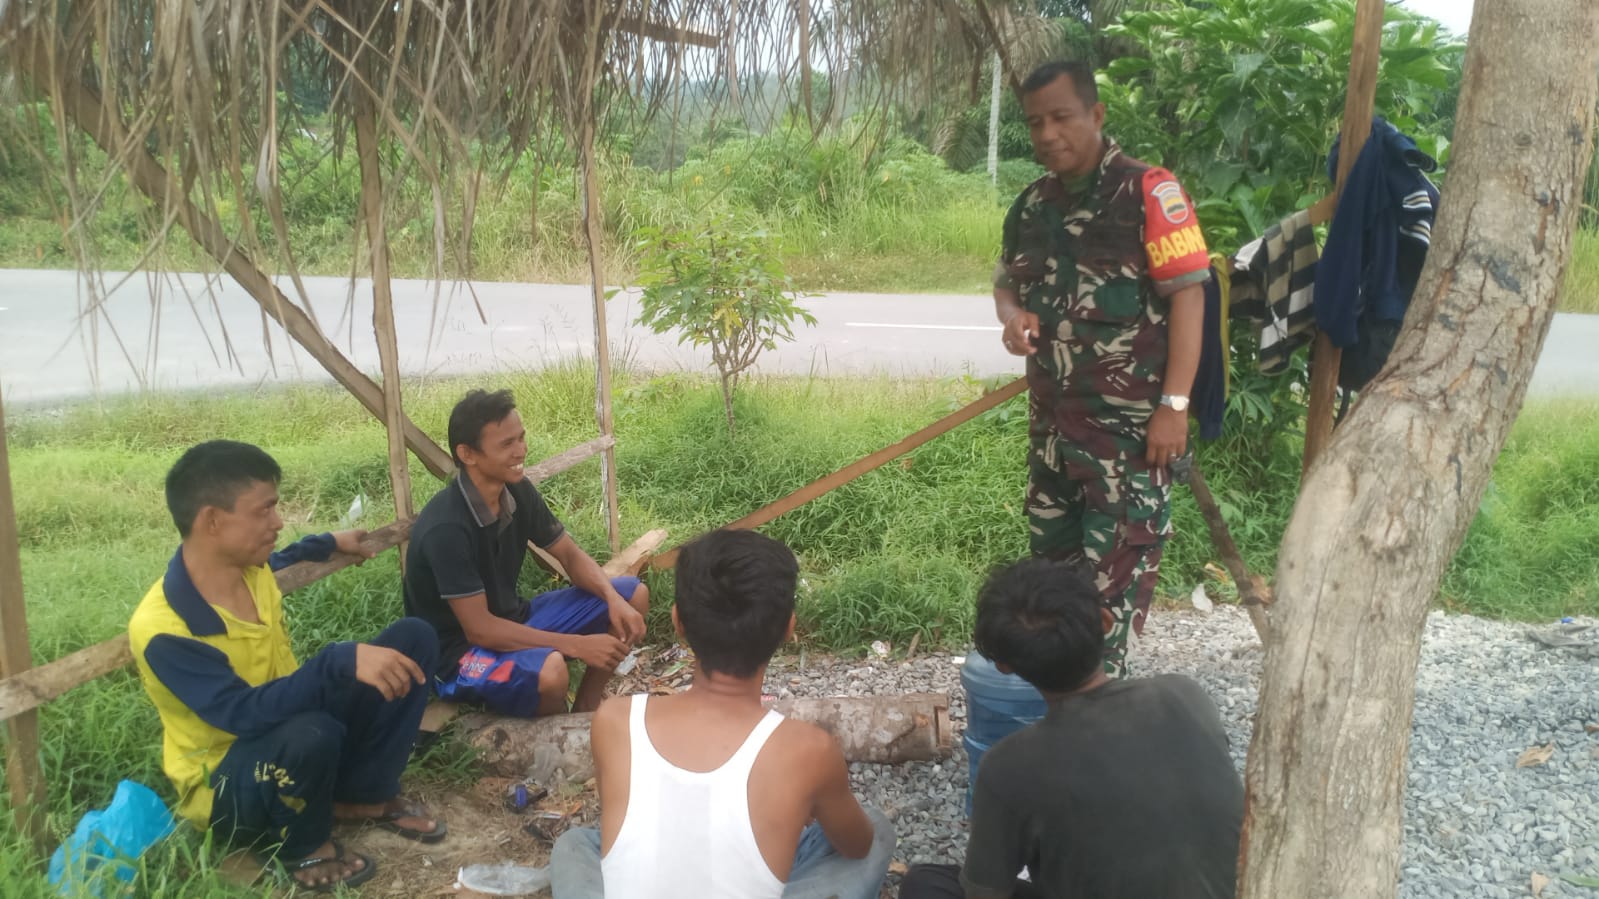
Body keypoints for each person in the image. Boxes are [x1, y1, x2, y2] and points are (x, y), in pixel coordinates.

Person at [128, 440, 445, 893]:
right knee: (310, 731)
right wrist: (336, 662)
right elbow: (242, 714)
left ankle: (362, 795)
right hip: (229, 784)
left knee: (413, 639)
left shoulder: (248, 567)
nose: (277, 522)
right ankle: (303, 846)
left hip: (295, 732)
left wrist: (329, 542)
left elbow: (283, 557)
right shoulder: (166, 629)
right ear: (212, 521)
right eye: (264, 511)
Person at [994, 60, 1211, 677]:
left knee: (1105, 611)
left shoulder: (1149, 193)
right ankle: (1063, 716)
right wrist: (1012, 316)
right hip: (1054, 445)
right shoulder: (1031, 206)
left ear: (1095, 114)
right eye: (1035, 122)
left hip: (1129, 447)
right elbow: (1006, 282)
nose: (1047, 134)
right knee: (1049, 605)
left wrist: (1174, 406)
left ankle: (1101, 716)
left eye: (1061, 117)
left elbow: (1189, 297)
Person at [549, 529, 896, 899]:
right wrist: (803, 800)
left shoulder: (615, 719)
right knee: (875, 828)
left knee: (577, 843)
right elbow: (856, 847)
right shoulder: (811, 751)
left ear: (678, 622)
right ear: (788, 628)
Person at [899, 558, 1243, 899]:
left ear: (1003, 666)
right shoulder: (1185, 695)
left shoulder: (1009, 765)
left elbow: (984, 896)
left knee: (926, 884)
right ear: (1106, 622)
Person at [403, 388, 650, 716]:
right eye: (507, 444)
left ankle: (586, 707)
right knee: (551, 671)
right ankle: (552, 731)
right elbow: (480, 630)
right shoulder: (446, 528)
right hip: (459, 655)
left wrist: (612, 598)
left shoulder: (516, 490)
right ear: (468, 454)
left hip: (514, 620)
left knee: (632, 597)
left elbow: (569, 555)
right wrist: (577, 645)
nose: (521, 450)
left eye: (521, 438)